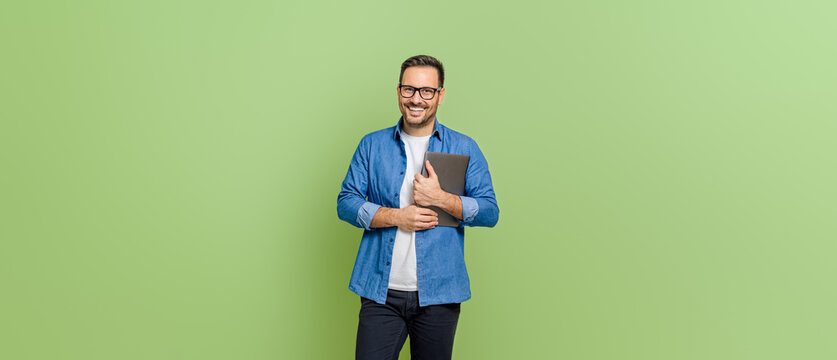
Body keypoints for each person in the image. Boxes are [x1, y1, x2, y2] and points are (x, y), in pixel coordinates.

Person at [337, 54, 499, 360]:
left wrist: (441, 199)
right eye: (409, 90)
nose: (417, 100)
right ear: (399, 92)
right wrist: (398, 217)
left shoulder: (465, 148)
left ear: (440, 95)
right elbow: (346, 203)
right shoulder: (371, 146)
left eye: (427, 91)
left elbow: (490, 211)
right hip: (380, 293)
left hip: (439, 296)